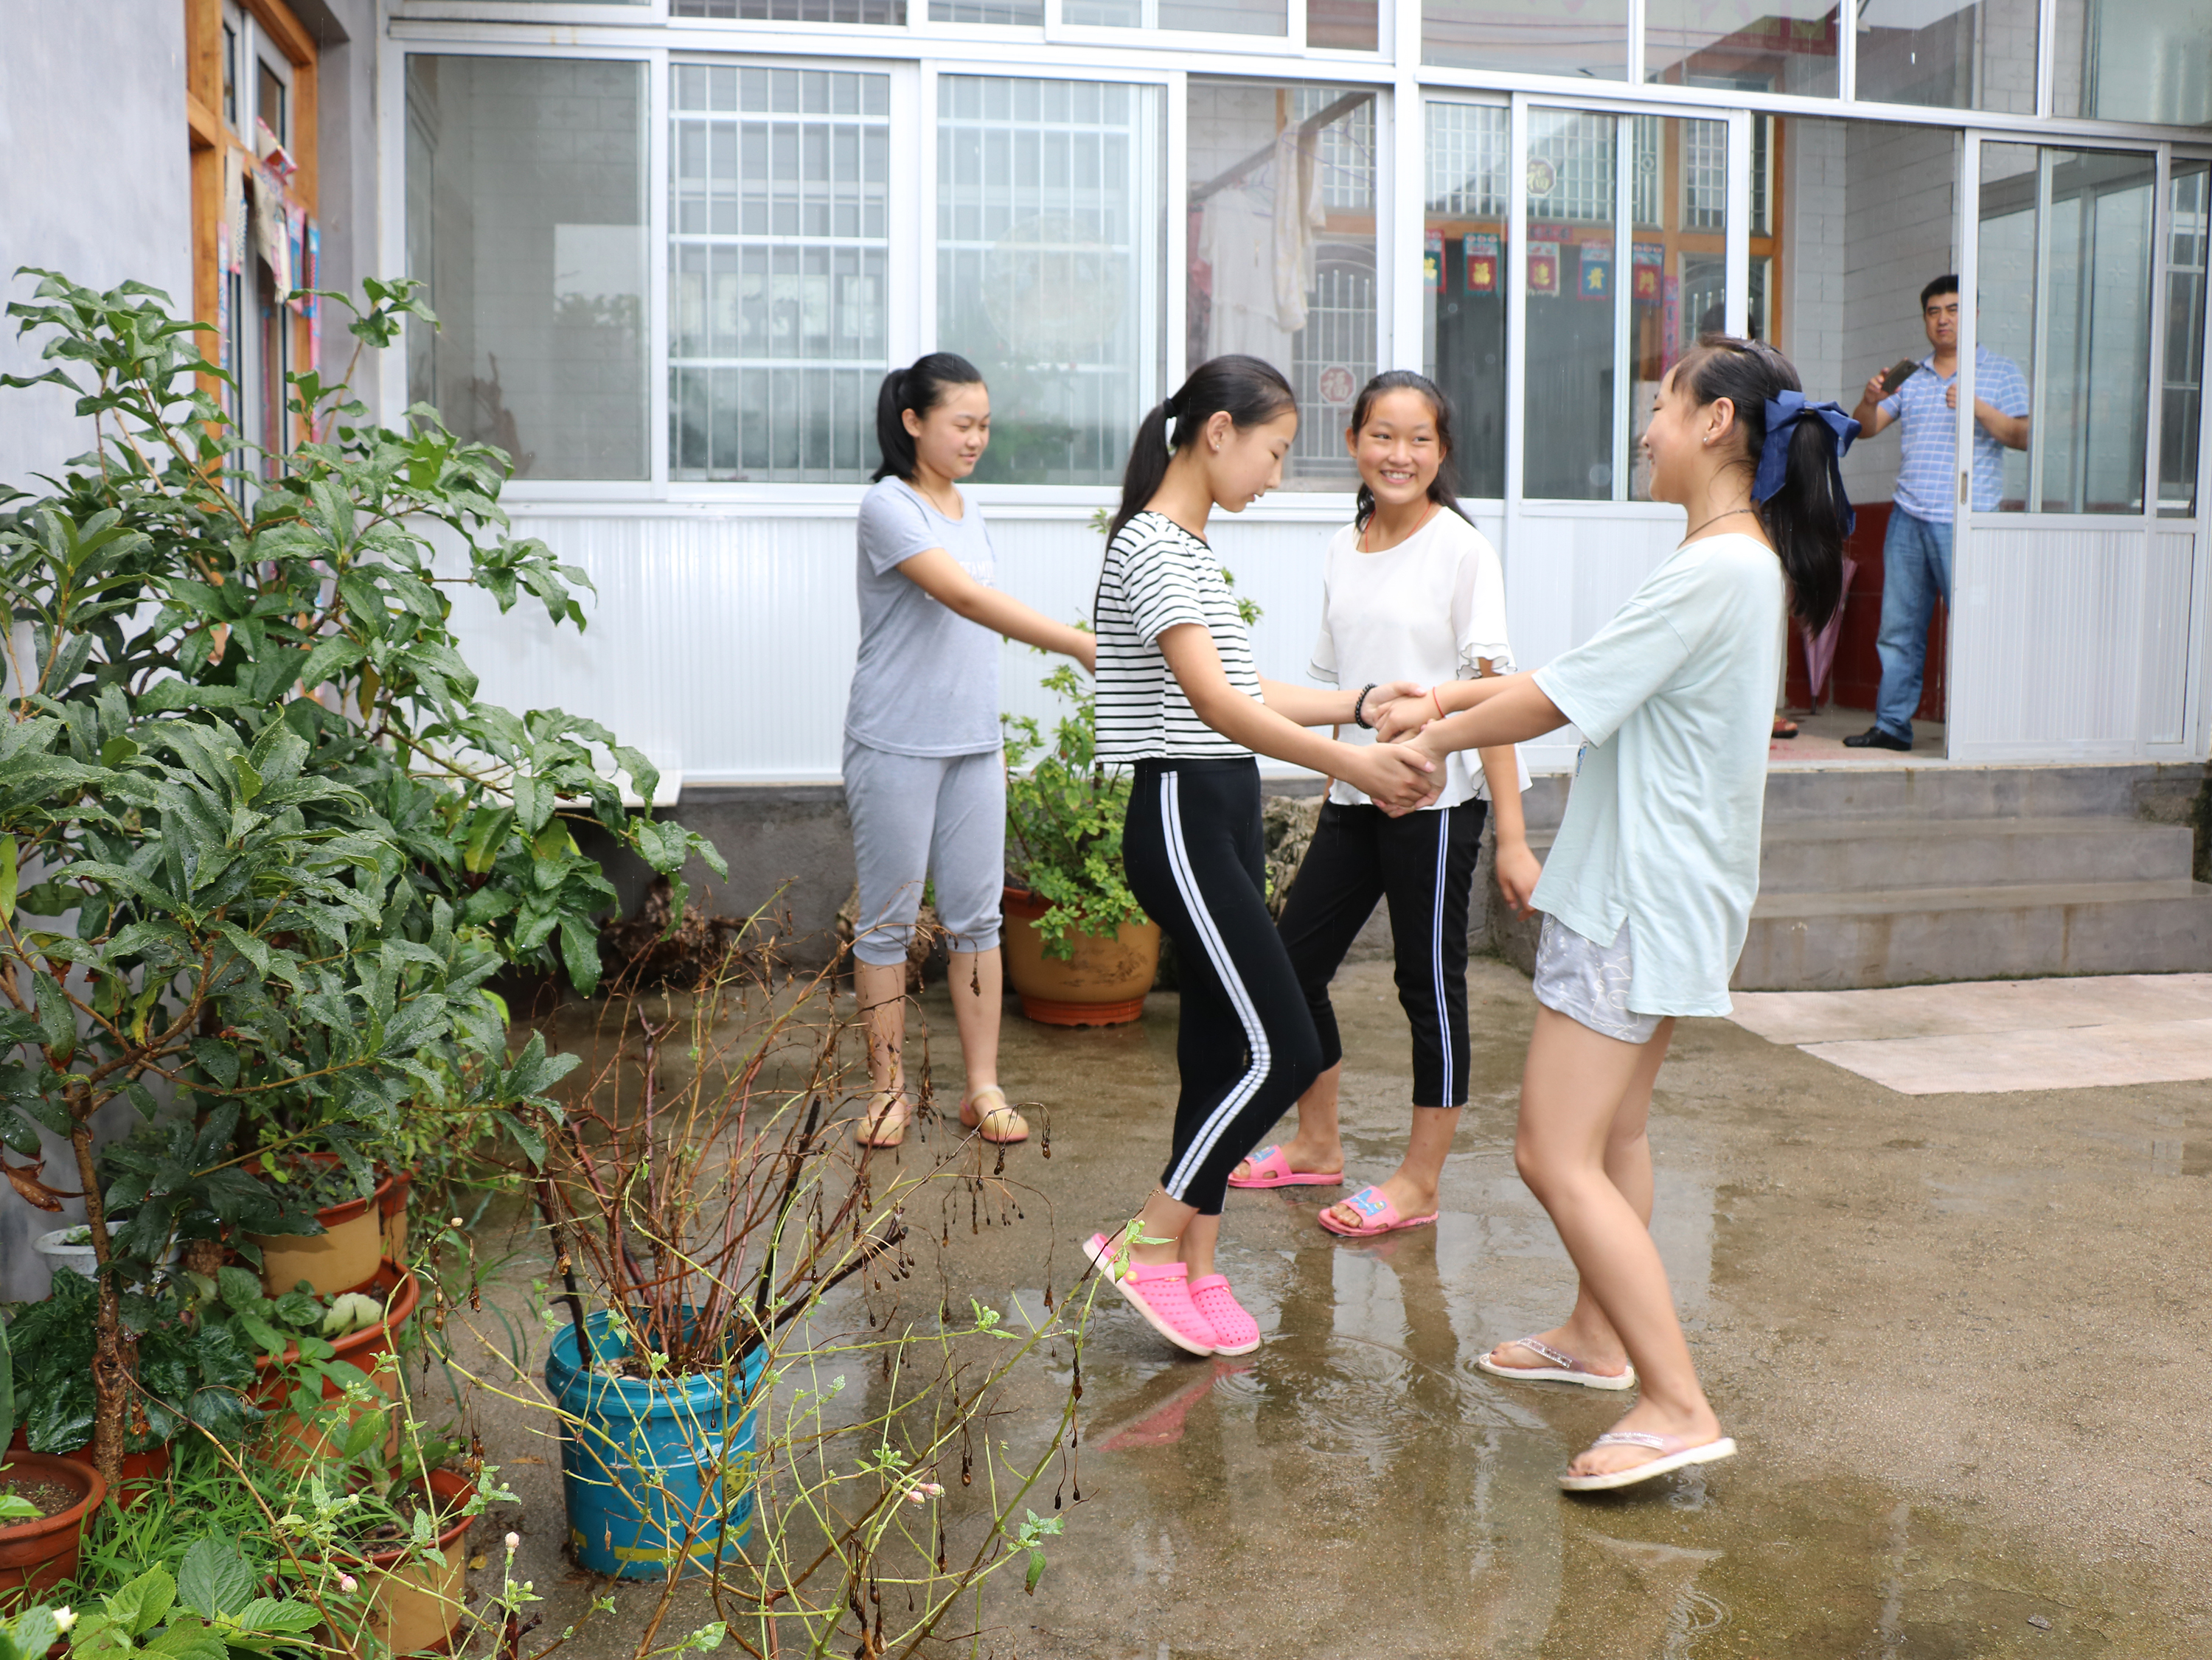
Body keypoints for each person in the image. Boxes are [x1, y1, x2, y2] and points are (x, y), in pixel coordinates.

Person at [1371, 336, 1853, 1491]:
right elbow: (1585, 673)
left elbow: (1556, 698)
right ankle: (1596, 1338)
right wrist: (1439, 693)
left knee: (1552, 1152)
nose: (1645, 429)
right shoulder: (1731, 560)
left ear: (1717, 421)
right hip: (1668, 892)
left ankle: (1678, 1401)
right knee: (1615, 1136)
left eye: (1661, 406)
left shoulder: (1717, 568)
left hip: (1636, 898)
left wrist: (1434, 736)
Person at [1080, 355, 1440, 1359]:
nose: (1276, 476)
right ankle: (1149, 1243)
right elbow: (1217, 708)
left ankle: (1195, 1262)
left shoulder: (1189, 547)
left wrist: (1362, 704)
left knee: (1216, 1052)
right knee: (1280, 1045)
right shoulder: (1153, 546)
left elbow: (1251, 687)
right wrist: (1356, 765)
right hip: (1185, 818)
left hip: (1222, 812)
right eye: (1275, 451)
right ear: (1217, 433)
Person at [1224, 371, 1542, 1241]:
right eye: (1381, 436)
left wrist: (1512, 835)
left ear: (1442, 452)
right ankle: (1318, 1140)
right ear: (1355, 440)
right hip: (1356, 791)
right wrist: (1335, 774)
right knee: (1292, 965)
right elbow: (1341, 687)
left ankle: (1419, 1179)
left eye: (1419, 440)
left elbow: (1499, 695)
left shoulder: (1462, 549)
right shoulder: (1344, 544)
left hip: (1440, 805)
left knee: (1427, 983)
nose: (1399, 455)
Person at [846, 353, 1095, 1150]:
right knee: (886, 925)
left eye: (985, 424)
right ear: (914, 421)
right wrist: (1075, 643)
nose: (977, 438)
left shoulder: (967, 506)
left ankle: (981, 1086)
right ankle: (887, 1090)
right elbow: (961, 596)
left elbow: (971, 604)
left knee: (978, 922)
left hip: (973, 745)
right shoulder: (888, 506)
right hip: (895, 740)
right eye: (963, 423)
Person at [1843, 274, 2029, 751]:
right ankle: (1892, 726)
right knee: (1898, 629)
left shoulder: (2000, 372)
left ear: (1973, 315)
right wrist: (1869, 401)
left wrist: (1975, 408)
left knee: (1972, 626)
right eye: (1934, 311)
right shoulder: (1912, 374)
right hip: (1908, 516)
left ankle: (1979, 727)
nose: (1943, 319)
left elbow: (2023, 437)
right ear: (1925, 319)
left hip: (1965, 518)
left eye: (1953, 309)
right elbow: (1865, 430)